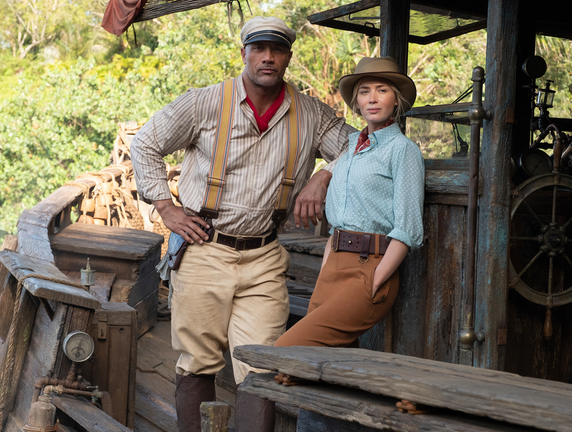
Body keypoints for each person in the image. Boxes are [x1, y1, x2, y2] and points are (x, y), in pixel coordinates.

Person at [130, 16, 355, 432]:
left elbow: (361, 147)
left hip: (265, 256)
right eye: (259, 48)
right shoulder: (204, 102)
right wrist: (166, 207)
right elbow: (145, 143)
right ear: (244, 53)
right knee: (197, 363)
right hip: (203, 248)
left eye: (278, 50)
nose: (268, 58)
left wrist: (323, 176)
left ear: (288, 56)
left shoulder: (311, 113)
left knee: (261, 365)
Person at [275, 56, 425, 349]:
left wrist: (376, 278)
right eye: (365, 91)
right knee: (329, 363)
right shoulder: (350, 149)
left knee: (287, 351)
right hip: (333, 267)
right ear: (356, 102)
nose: (373, 98)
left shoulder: (403, 151)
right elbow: (338, 223)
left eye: (382, 90)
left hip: (371, 268)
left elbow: (408, 228)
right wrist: (327, 268)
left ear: (396, 99)